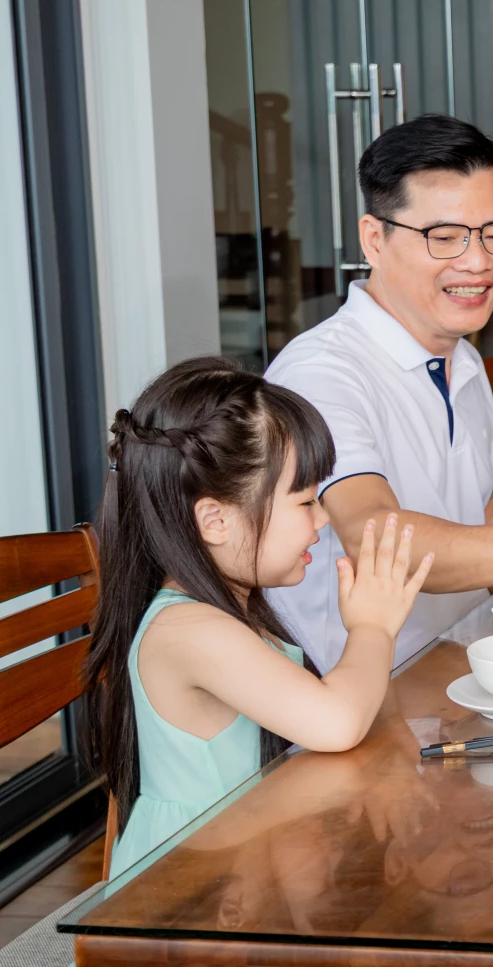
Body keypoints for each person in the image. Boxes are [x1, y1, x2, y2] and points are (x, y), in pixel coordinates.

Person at [266, 116, 493, 671]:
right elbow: (372, 537)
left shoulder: (460, 358)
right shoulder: (319, 372)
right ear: (374, 239)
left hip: (464, 661)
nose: (478, 261)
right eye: (444, 237)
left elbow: (481, 515)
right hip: (362, 692)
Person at [82, 358, 430, 878]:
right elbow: (336, 722)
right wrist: (372, 627)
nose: (322, 520)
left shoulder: (224, 609)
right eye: (306, 502)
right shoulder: (188, 631)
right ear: (215, 520)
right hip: (180, 895)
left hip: (236, 859)